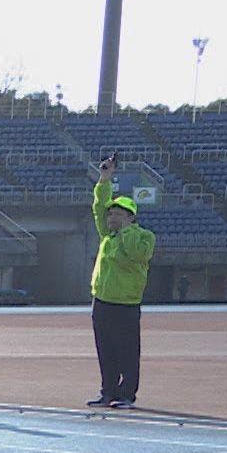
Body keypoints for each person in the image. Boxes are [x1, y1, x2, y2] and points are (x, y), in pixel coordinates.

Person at [87, 156, 155, 410]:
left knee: (127, 352)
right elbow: (99, 205)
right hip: (102, 301)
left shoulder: (143, 237)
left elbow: (138, 254)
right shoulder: (108, 235)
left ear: (130, 217)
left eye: (117, 214)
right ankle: (108, 392)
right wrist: (105, 178)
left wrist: (125, 230)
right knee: (105, 352)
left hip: (126, 304)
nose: (111, 217)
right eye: (111, 213)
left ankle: (126, 394)